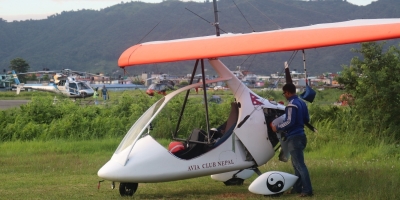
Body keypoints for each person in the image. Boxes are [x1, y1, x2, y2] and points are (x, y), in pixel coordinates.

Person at [271, 83, 313, 197]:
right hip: (301, 136)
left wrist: (277, 127)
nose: (284, 95)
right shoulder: (302, 103)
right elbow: (306, 119)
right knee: (296, 164)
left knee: (299, 165)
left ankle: (307, 190)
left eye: (284, 93)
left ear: (288, 92)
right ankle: (297, 188)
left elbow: (289, 121)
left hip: (294, 137)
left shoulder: (291, 105)